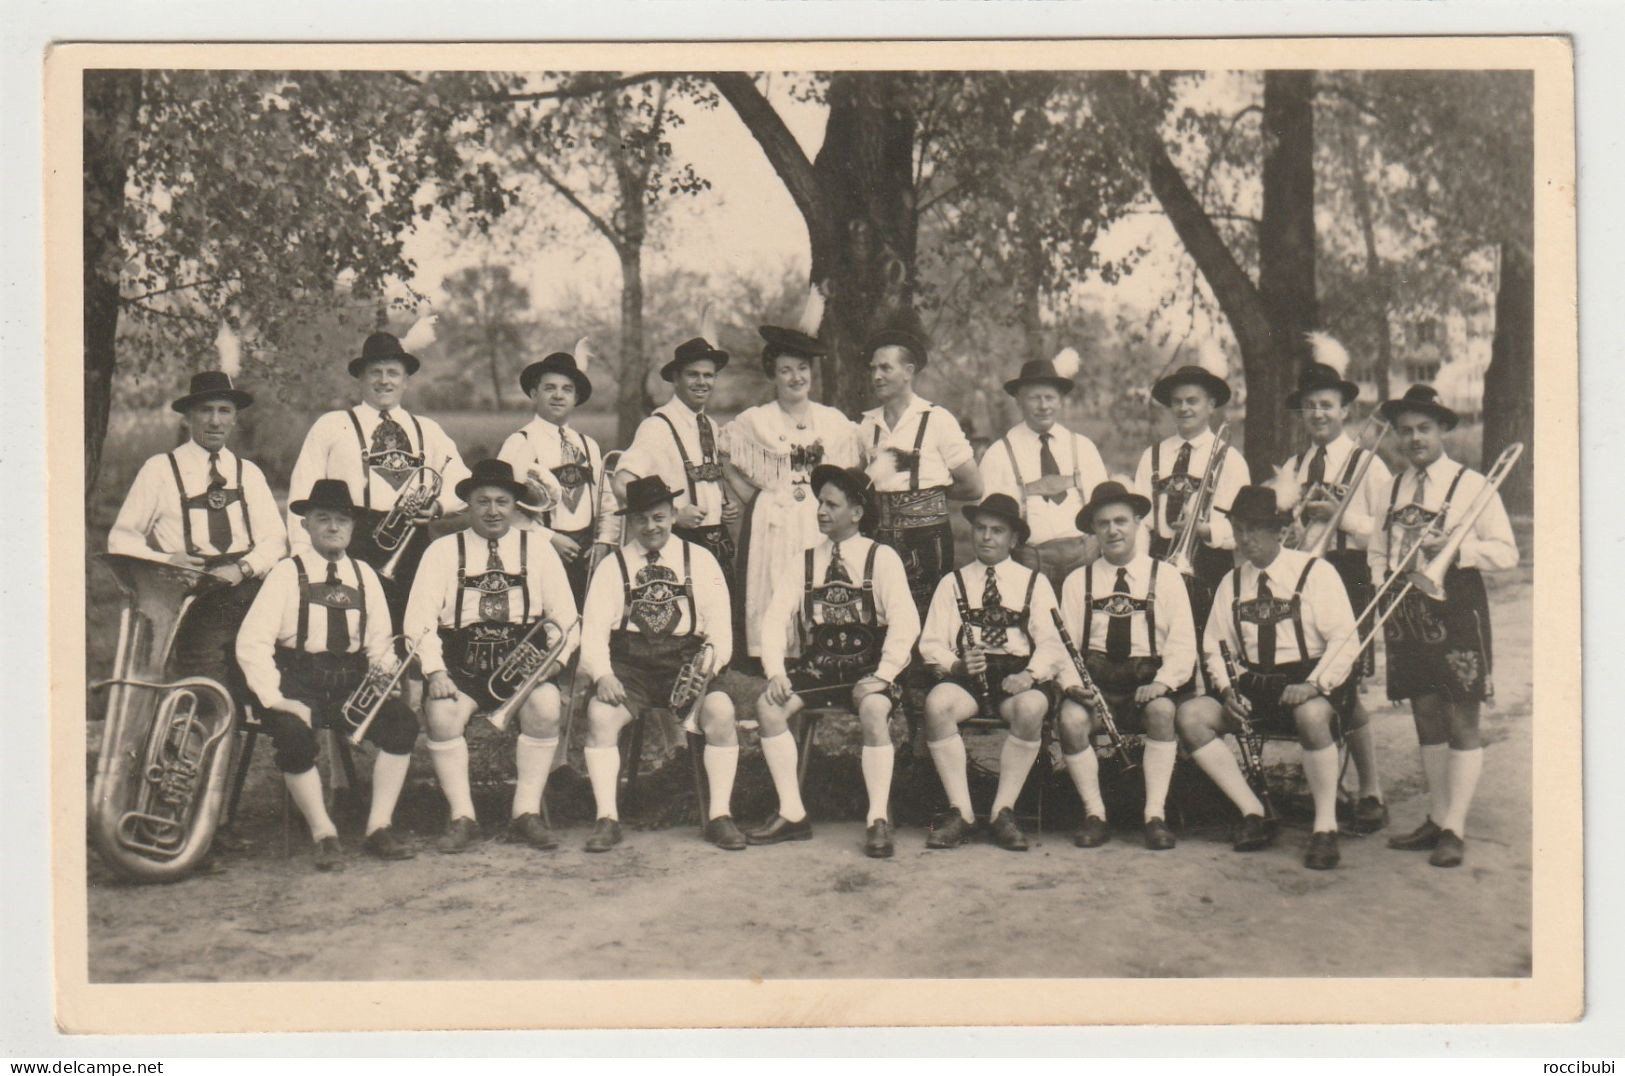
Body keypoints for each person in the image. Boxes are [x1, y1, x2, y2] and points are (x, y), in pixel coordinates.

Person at [234, 480, 419, 870]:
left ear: (353, 528)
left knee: (402, 723)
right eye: (323, 519)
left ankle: (378, 827)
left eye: (341, 520)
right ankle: (323, 832)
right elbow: (251, 643)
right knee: (293, 736)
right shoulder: (286, 573)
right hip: (295, 680)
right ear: (305, 525)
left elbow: (381, 644)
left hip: (350, 682)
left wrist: (382, 684)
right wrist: (276, 699)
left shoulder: (367, 575)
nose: (333, 527)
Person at [1370, 384, 1518, 868]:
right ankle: (1435, 817)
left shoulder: (1472, 484)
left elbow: (1507, 553)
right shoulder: (1392, 487)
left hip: (1456, 609)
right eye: (1405, 431)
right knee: (1426, 714)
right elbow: (1377, 550)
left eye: (1423, 429)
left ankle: (1455, 825)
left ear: (1442, 431)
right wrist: (1381, 583)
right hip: (1407, 610)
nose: (1414, 439)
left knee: (1461, 718)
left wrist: (1455, 552)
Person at [1174, 485, 1359, 871]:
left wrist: (1315, 685)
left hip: (1309, 682)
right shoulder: (1231, 583)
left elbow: (1345, 639)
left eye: (1255, 529)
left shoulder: (1315, 572)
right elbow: (1212, 646)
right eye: (1239, 528)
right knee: (1191, 717)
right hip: (1255, 686)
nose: (1245, 539)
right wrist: (1226, 691)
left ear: (1278, 531)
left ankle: (1325, 826)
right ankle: (1254, 811)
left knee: (1309, 717)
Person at [403, 459, 577, 855]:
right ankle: (464, 816)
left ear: (516, 505)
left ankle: (525, 813)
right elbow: (418, 621)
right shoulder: (442, 551)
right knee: (443, 713)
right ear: (468, 506)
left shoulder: (539, 550)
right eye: (483, 502)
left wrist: (555, 662)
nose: (494, 511)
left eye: (502, 501)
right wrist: (434, 671)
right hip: (462, 663)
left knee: (547, 706)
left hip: (522, 663)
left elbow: (566, 618)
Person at [750, 465, 919, 858]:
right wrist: (775, 670)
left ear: (857, 512)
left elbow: (906, 622)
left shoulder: (882, 558)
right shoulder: (804, 561)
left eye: (832, 504)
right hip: (818, 668)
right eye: (819, 503)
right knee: (767, 706)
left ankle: (878, 818)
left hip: (868, 671)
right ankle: (792, 812)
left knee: (875, 710)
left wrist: (884, 675)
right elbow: (775, 619)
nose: (821, 511)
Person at [577, 476, 743, 853]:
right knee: (601, 716)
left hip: (686, 662)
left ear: (672, 515)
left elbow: (721, 630)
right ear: (629, 522)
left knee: (720, 711)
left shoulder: (700, 560)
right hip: (629, 667)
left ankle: (720, 815)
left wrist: (706, 670)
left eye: (659, 517)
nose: (650, 527)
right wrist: (602, 674)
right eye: (641, 520)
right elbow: (593, 631)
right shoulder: (612, 566)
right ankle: (607, 818)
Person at [109, 370, 286, 698]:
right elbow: (121, 540)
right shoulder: (159, 470)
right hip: (193, 596)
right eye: (206, 410)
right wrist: (166, 561)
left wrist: (242, 569)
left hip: (247, 590)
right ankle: (208, 733)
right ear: (188, 417)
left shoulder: (248, 473)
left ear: (234, 418)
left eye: (224, 411)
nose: (215, 421)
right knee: (205, 684)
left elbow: (275, 540)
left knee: (281, 671)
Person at [1278, 355, 1394, 835]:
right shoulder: (1297, 463)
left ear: (1345, 410)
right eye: (1310, 407)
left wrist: (1340, 515)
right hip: (1305, 578)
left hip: (1348, 574)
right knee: (1312, 678)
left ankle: (1370, 789)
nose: (1319, 414)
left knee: (1344, 687)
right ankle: (1324, 784)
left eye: (1327, 405)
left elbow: (1387, 535)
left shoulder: (1369, 464)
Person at [285, 330, 470, 626]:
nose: (384, 381)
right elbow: (302, 491)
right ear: (361, 379)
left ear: (406, 381)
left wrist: (437, 507)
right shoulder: (331, 425)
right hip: (350, 538)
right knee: (350, 626)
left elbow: (464, 486)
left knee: (411, 624)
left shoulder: (428, 429)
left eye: (393, 373)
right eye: (376, 373)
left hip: (411, 542)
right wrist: (301, 554)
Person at [917, 493, 1067, 852]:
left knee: (1032, 708)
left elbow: (1052, 644)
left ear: (1014, 539)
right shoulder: (952, 582)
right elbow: (930, 643)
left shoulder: (1034, 582)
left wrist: (1030, 675)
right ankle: (963, 813)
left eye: (997, 530)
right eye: (980, 529)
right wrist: (956, 664)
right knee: (937, 705)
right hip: (969, 673)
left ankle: (1003, 810)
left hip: (1018, 673)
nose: (986, 537)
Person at [1055, 481, 1197, 851]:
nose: (1113, 530)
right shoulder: (1077, 581)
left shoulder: (1165, 578)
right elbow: (1062, 649)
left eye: (1121, 521)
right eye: (1103, 523)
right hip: (1095, 685)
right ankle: (1095, 813)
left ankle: (1154, 814)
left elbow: (1183, 644)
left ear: (1138, 524)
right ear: (1094, 530)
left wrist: (1163, 683)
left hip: (1146, 684)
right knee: (1070, 720)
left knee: (1164, 713)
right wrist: (1073, 686)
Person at [722, 321, 862, 665]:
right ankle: (772, 652)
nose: (796, 377)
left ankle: (822, 646)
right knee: (773, 578)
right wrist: (751, 498)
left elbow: (849, 472)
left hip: (819, 516)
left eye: (802, 369)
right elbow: (725, 454)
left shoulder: (833, 421)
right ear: (773, 375)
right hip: (776, 516)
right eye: (786, 370)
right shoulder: (757, 421)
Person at [859, 326, 982, 615]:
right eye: (873, 368)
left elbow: (973, 486)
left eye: (885, 368)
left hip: (927, 540)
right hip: (879, 535)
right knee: (884, 612)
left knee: (927, 615)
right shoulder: (867, 426)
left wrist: (930, 495)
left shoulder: (937, 420)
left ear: (908, 371)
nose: (876, 376)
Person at [1133, 361, 1249, 640]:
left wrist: (1205, 529)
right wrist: (1138, 567)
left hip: (1210, 564)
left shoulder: (1230, 459)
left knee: (1210, 646)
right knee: (1161, 642)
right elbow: (1141, 521)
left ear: (1210, 405)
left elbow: (1244, 527)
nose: (1184, 408)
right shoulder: (1153, 456)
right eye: (1177, 402)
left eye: (1192, 401)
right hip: (1160, 559)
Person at [615, 334, 741, 587]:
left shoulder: (710, 426)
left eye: (709, 375)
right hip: (677, 544)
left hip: (718, 545)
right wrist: (672, 515)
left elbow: (704, 477)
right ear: (675, 378)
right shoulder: (656, 427)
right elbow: (621, 483)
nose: (702, 382)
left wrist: (721, 504)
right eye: (693, 375)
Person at [979, 356, 1108, 591]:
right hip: (1029, 563)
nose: (1043, 406)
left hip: (1085, 559)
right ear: (1019, 400)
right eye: (1034, 398)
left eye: (1050, 397)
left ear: (1060, 401)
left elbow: (1104, 508)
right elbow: (989, 523)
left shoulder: (1082, 447)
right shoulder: (998, 454)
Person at [499, 345, 608, 604]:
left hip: (586, 552)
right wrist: (549, 538)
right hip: (539, 547)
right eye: (550, 388)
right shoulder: (520, 443)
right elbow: (503, 505)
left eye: (567, 389)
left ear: (576, 397)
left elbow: (606, 500)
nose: (558, 396)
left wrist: (604, 541)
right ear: (534, 393)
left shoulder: (588, 445)